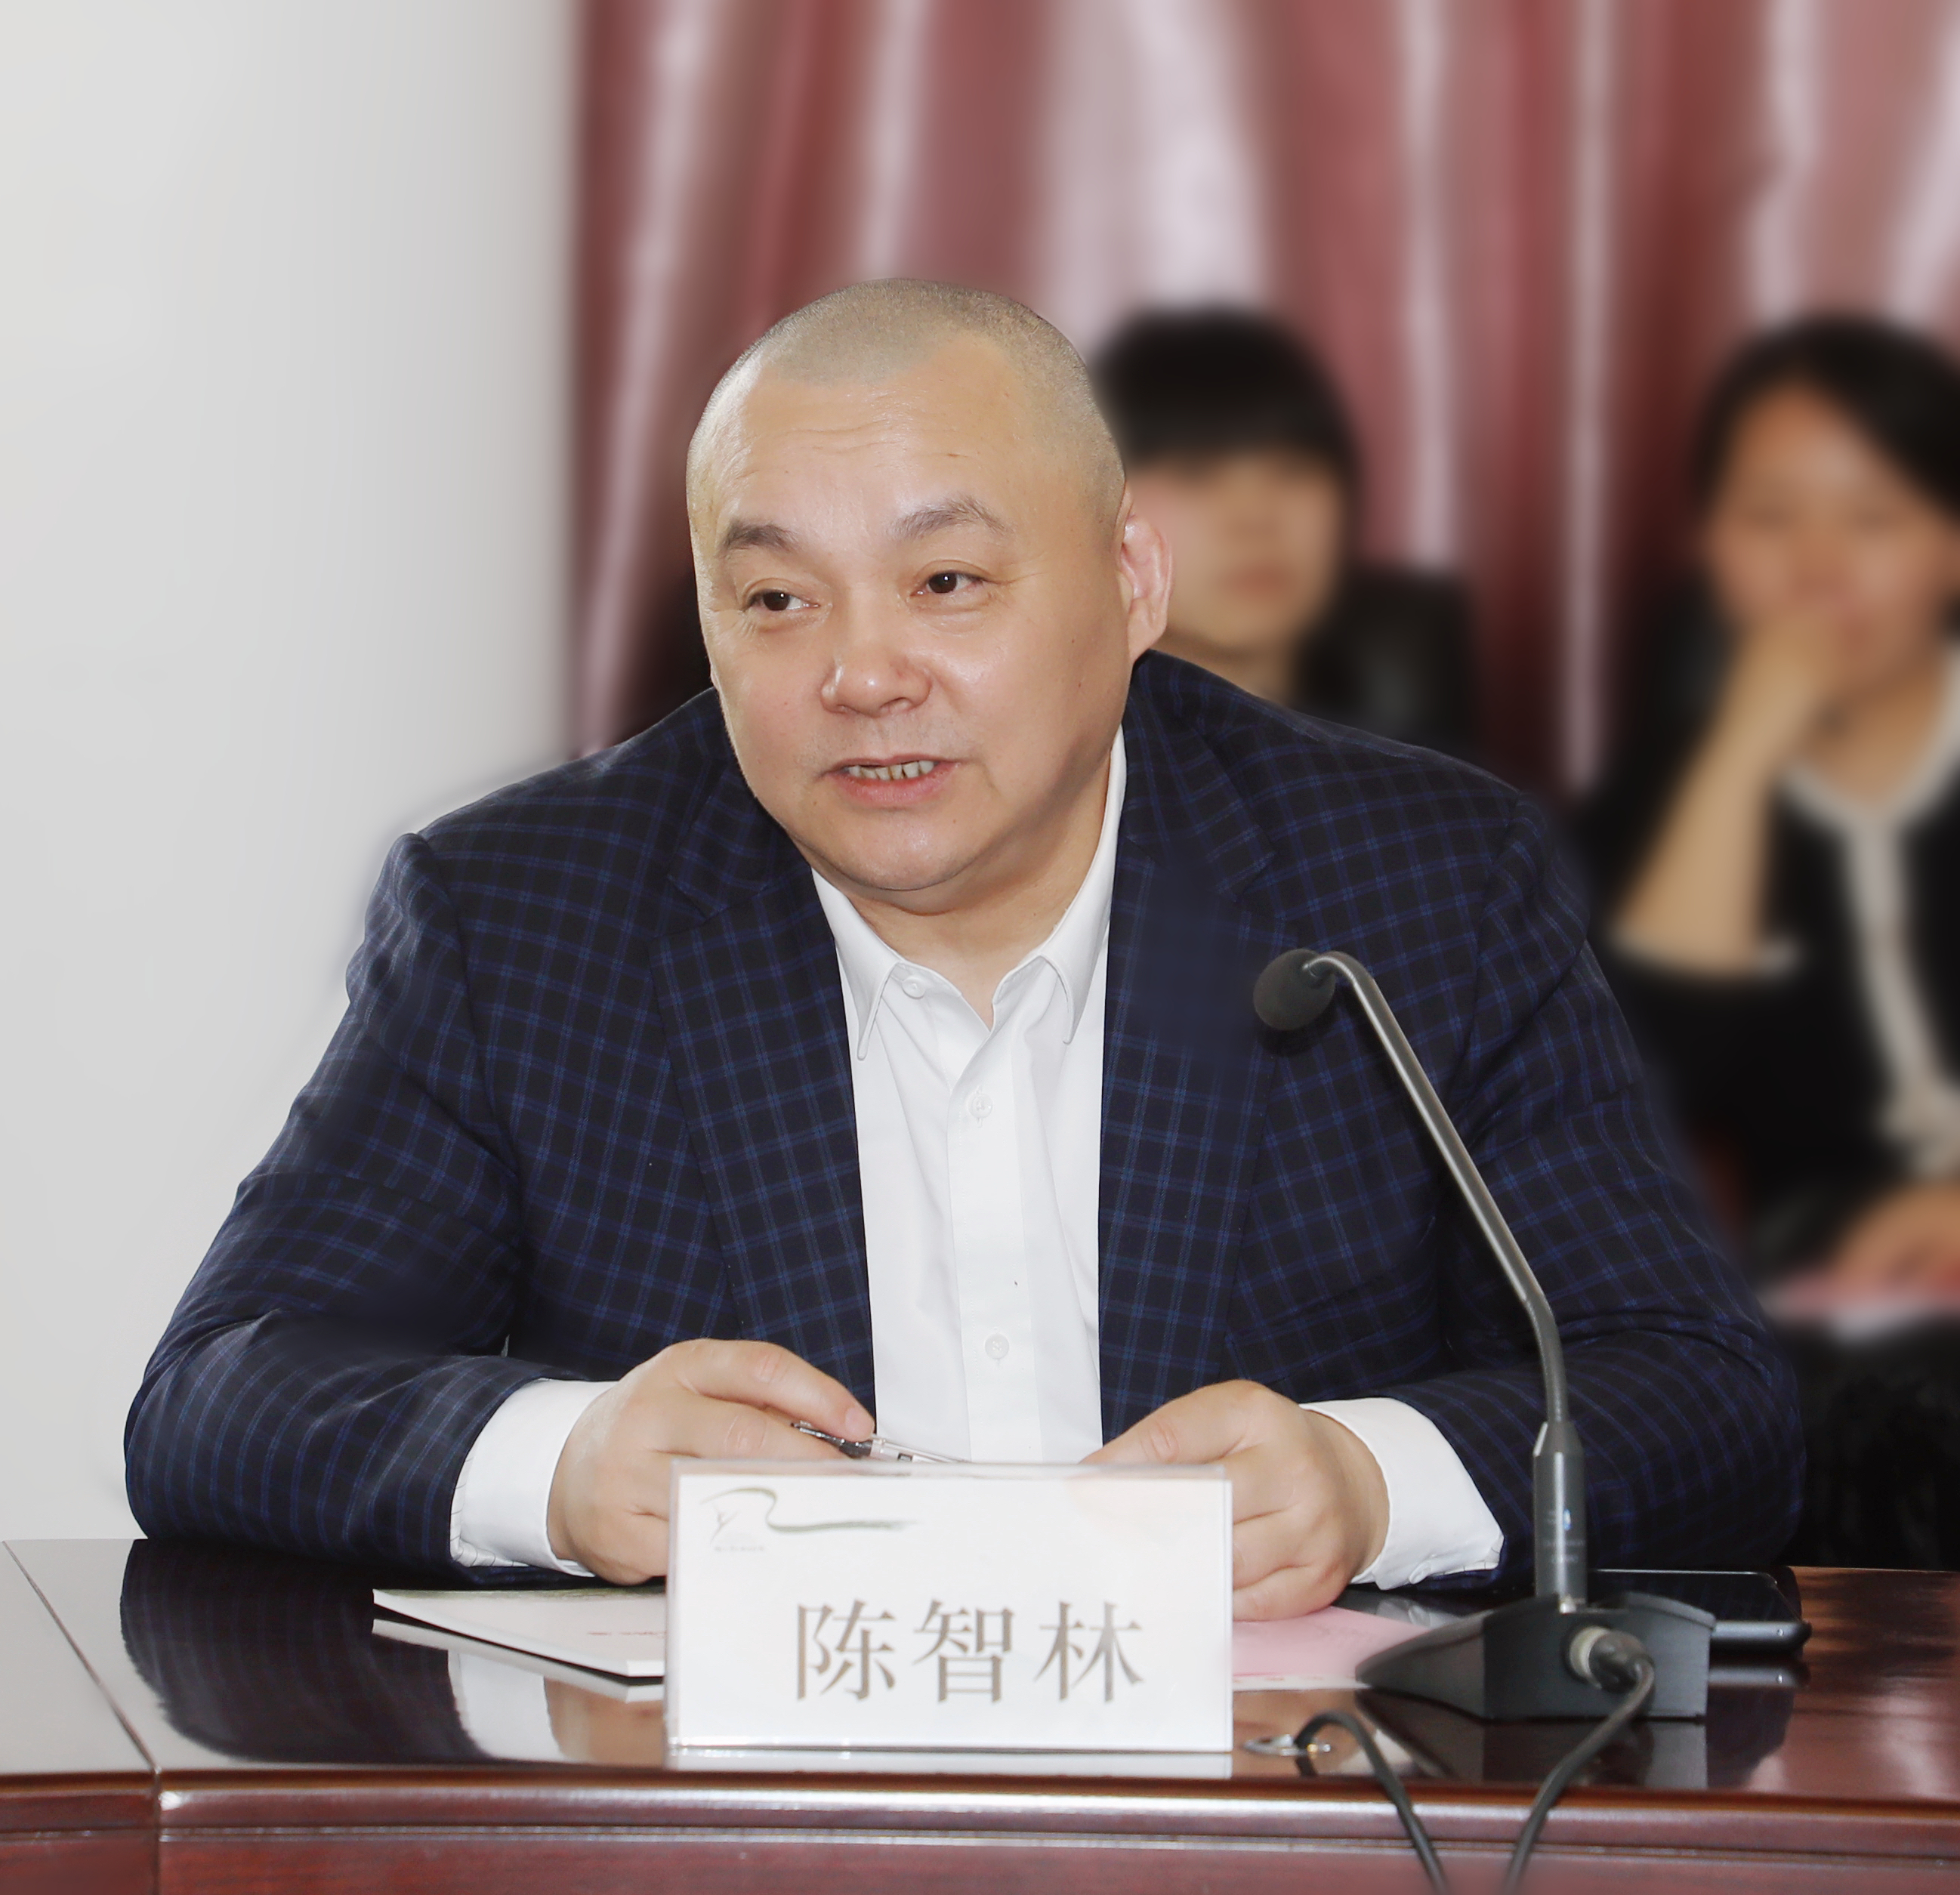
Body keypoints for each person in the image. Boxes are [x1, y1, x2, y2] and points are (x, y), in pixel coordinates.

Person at [127, 281, 1799, 1606]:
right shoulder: (527, 913)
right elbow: (220, 1395)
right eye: (776, 601)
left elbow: (1700, 1397)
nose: (862, 675)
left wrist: (1367, 1487)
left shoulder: (1412, 885)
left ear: (1131, 580)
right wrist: (566, 1468)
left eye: (945, 582)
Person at [1575, 314, 1960, 1566]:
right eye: (1769, 518)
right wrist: (1742, 754)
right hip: (1820, 1348)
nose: (1817, 569)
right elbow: (1636, 1090)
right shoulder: (1673, 802)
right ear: (1707, 546)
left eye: (1873, 518)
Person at [1092, 307, 1474, 755]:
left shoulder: (1435, 785)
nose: (1256, 518)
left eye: (1292, 469)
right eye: (1196, 473)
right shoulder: (1062, 779)